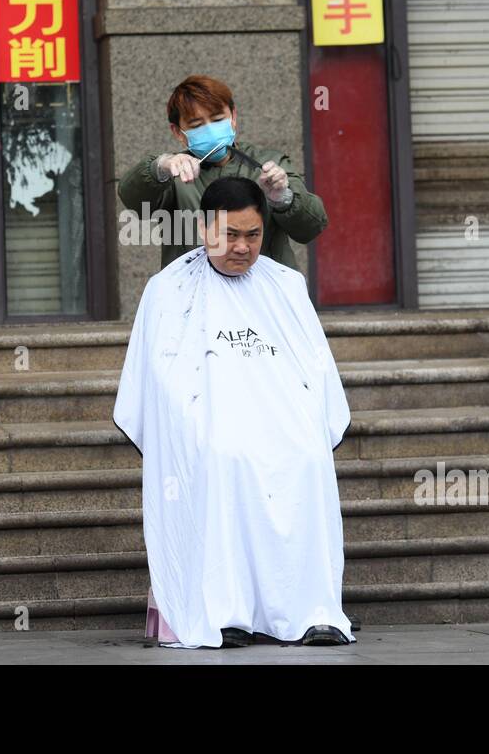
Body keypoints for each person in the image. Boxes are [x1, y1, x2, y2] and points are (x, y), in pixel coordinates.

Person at [112, 176, 355, 649]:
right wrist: (198, 424)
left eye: (253, 235)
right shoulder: (167, 290)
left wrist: (300, 421)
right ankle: (225, 612)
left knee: (307, 458)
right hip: (209, 425)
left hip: (281, 424)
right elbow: (158, 378)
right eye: (229, 234)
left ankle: (310, 611)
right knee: (221, 456)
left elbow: (315, 367)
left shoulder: (286, 285)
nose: (242, 248)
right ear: (204, 229)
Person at [117, 75, 329, 272]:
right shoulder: (173, 173)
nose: (210, 129)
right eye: (197, 125)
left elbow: (310, 227)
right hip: (194, 294)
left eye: (218, 119)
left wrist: (284, 198)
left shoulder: (268, 163)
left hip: (263, 294)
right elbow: (133, 197)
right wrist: (160, 166)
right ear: (177, 132)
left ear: (233, 116)